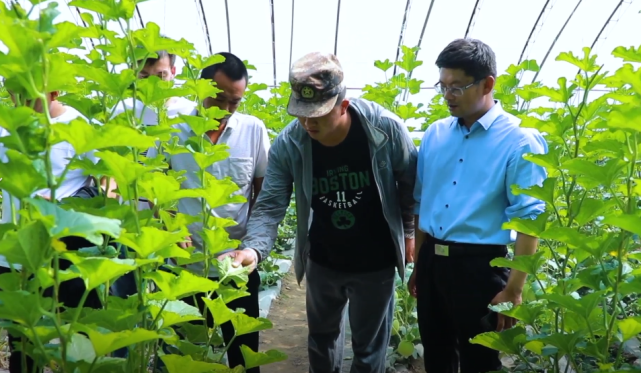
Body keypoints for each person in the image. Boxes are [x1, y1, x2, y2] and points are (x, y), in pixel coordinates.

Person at [219, 52, 418, 373]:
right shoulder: (290, 143)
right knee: (322, 341)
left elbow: (410, 183)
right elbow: (270, 204)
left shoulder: (384, 130)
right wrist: (253, 249)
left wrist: (409, 233)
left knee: (370, 349)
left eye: (318, 115)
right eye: (301, 114)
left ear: (343, 105)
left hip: (376, 260)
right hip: (323, 260)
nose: (308, 123)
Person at [409, 38, 548, 373]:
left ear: (488, 83)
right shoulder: (435, 134)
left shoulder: (519, 140)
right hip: (432, 261)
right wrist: (419, 265)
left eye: (457, 87)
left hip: (480, 267)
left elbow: (530, 222)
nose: (448, 96)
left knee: (480, 361)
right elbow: (421, 204)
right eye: (442, 86)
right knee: (436, 352)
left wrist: (513, 290)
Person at [147, 52, 269, 373]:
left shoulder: (253, 131)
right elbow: (153, 184)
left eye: (235, 102)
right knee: (179, 361)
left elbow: (264, 197)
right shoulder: (171, 128)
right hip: (181, 271)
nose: (227, 110)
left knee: (243, 361)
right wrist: (172, 224)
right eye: (220, 99)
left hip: (235, 271)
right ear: (201, 89)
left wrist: (250, 247)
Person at [0, 89, 105, 373]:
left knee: (80, 339)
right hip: (18, 253)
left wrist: (63, 205)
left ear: (52, 89)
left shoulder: (77, 125)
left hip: (68, 250)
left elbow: (108, 180)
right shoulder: (6, 126)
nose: (18, 100)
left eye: (27, 93)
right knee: (24, 344)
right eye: (14, 91)